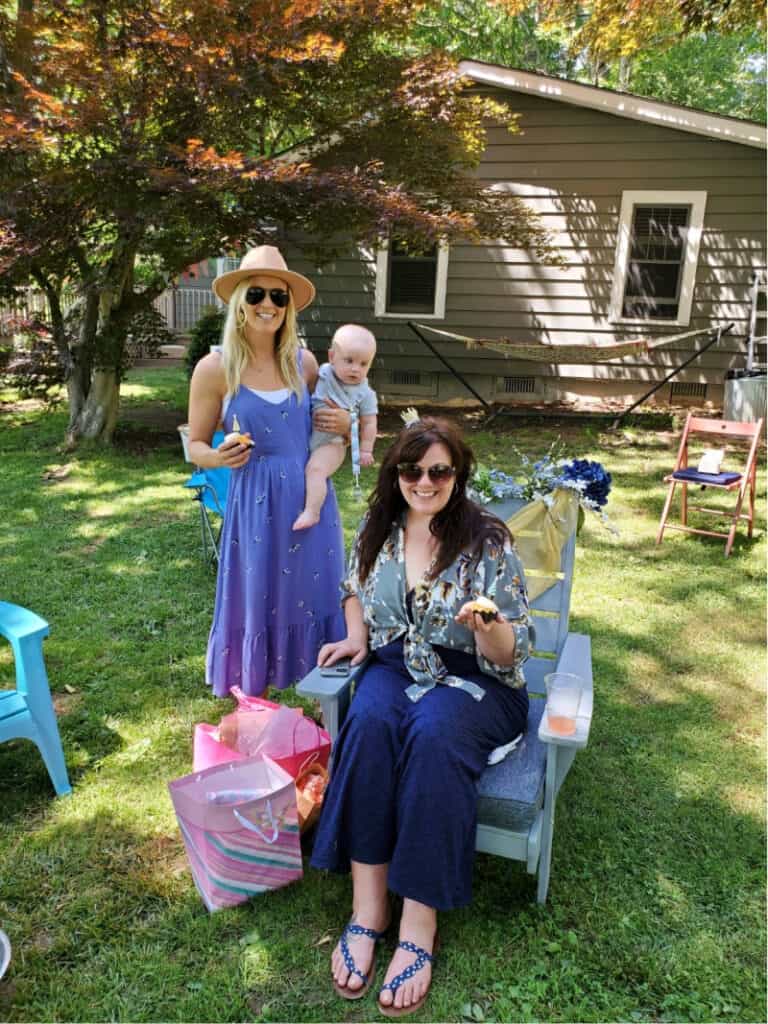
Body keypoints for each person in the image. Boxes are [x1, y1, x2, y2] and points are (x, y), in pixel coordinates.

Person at [310, 416, 532, 1017]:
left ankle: (418, 924)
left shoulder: (487, 539)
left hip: (476, 678)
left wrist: (488, 629)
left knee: (434, 735)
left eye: (439, 471)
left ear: (457, 475)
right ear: (396, 472)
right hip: (395, 664)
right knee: (370, 723)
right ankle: (368, 909)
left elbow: (514, 652)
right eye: (412, 470)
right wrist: (357, 636)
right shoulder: (381, 524)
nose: (425, 482)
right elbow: (350, 584)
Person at [187, 245, 349, 697]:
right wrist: (218, 457)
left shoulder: (306, 364)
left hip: (308, 499)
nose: (268, 305)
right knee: (259, 595)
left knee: (316, 591)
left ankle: (321, 683)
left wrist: (347, 426)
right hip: (254, 504)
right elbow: (196, 445)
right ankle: (257, 683)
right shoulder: (215, 369)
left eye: (279, 297)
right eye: (257, 294)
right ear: (239, 299)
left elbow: (323, 430)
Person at [293, 324, 378, 531]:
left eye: (363, 364)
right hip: (309, 435)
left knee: (316, 470)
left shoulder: (365, 393)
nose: (355, 369)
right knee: (305, 471)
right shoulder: (321, 373)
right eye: (349, 361)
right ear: (332, 356)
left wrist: (366, 449)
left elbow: (369, 422)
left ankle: (312, 512)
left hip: (332, 443)